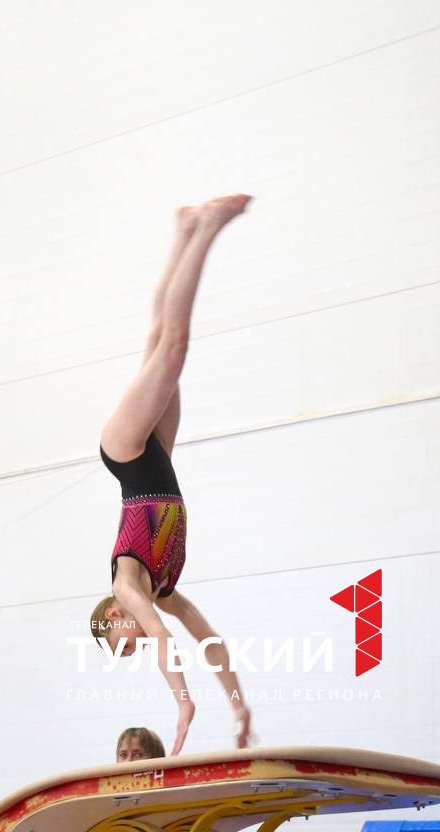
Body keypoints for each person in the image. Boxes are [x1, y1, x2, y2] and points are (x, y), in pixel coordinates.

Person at [90, 194, 254, 756]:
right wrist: (238, 702)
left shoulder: (127, 586)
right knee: (161, 340)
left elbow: (161, 639)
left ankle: (205, 230)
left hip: (127, 455)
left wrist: (183, 703)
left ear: (115, 616)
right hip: (156, 454)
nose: (133, 646)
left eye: (122, 643)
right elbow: (206, 637)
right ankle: (185, 231)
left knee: (174, 347)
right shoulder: (161, 590)